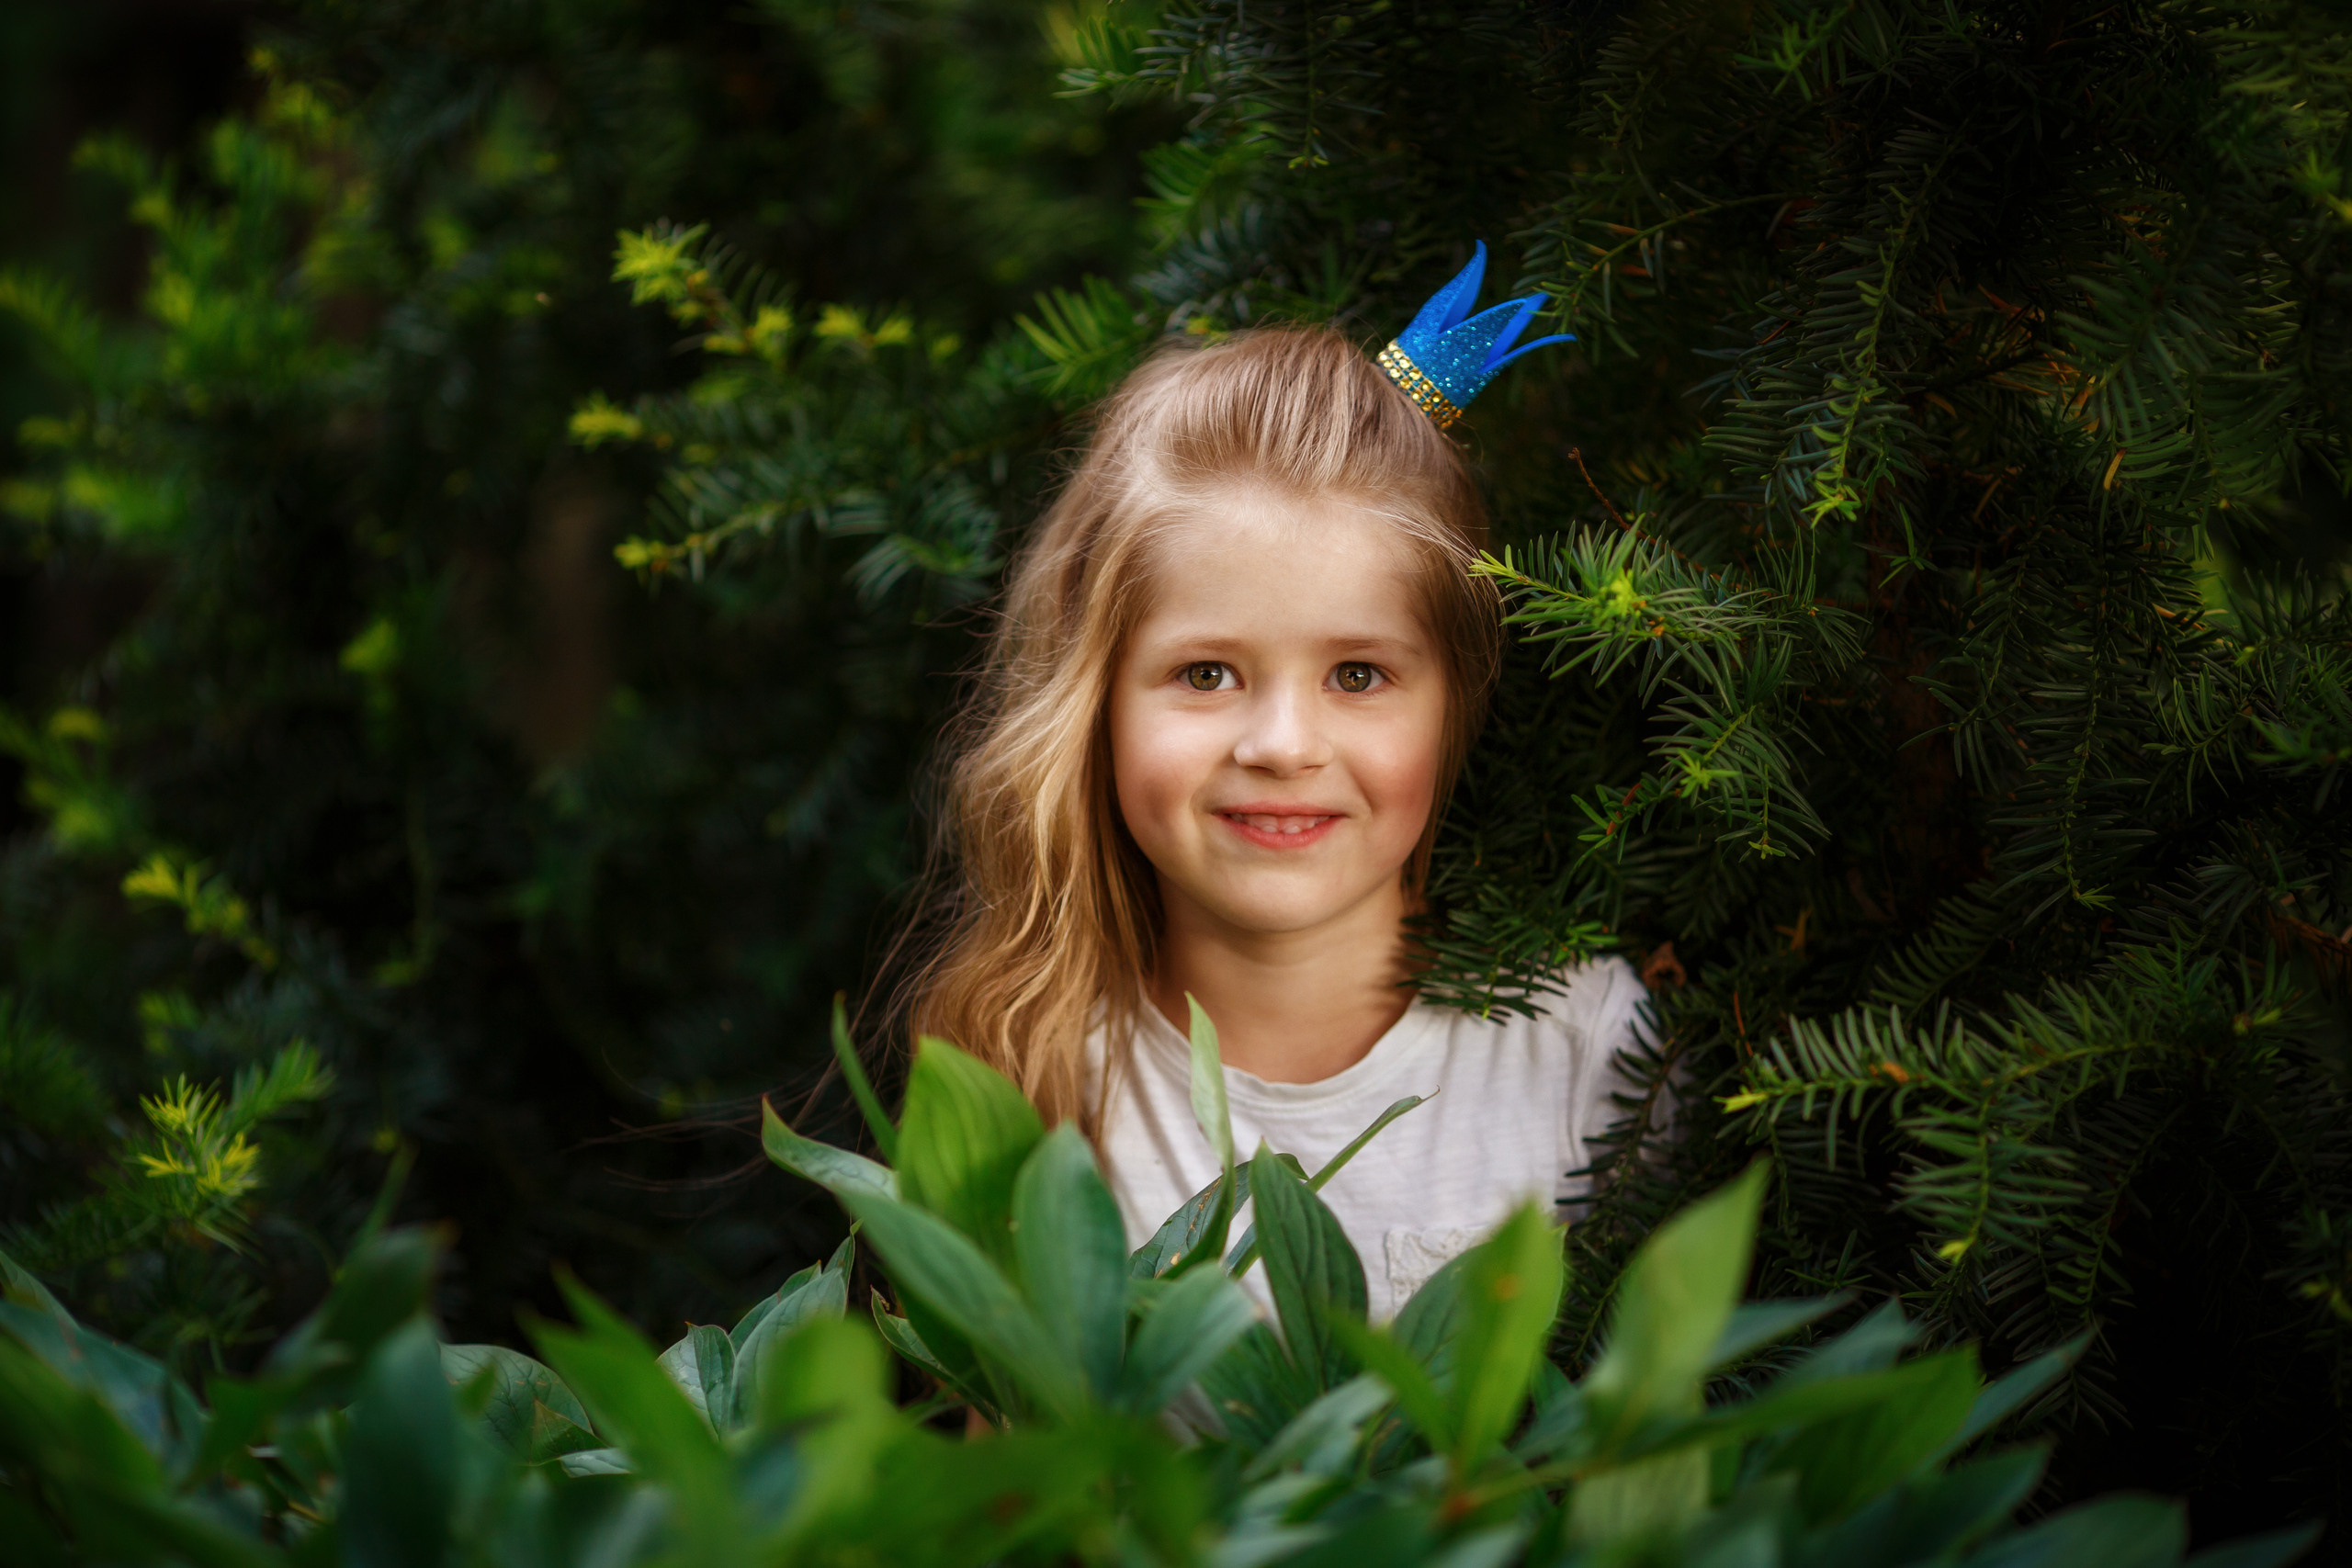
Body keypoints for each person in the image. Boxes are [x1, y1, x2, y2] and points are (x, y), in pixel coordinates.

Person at [900, 245, 1656, 1321]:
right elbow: (1004, 1470)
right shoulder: (1028, 1055)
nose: (1283, 743)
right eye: (1205, 673)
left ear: (1454, 700)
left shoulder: (1583, 1049)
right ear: (1096, 695)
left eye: (1358, 675)